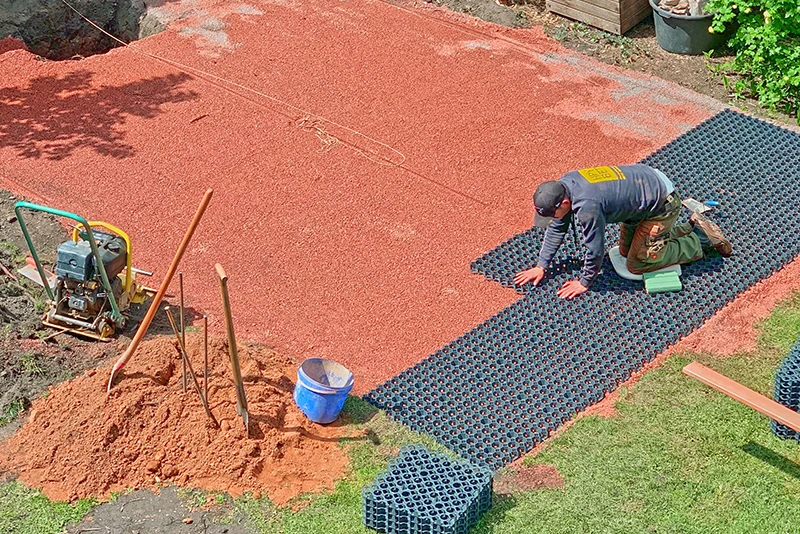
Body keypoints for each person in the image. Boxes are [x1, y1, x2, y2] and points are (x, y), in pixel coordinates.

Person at [513, 164, 732, 299]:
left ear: (564, 203)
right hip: (642, 191)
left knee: (638, 264)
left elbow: (595, 249)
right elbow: (557, 227)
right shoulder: (566, 185)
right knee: (626, 251)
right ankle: (687, 228)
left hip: (662, 204)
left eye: (553, 213)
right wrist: (541, 266)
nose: (553, 219)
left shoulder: (587, 207)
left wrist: (584, 282)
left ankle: (700, 239)